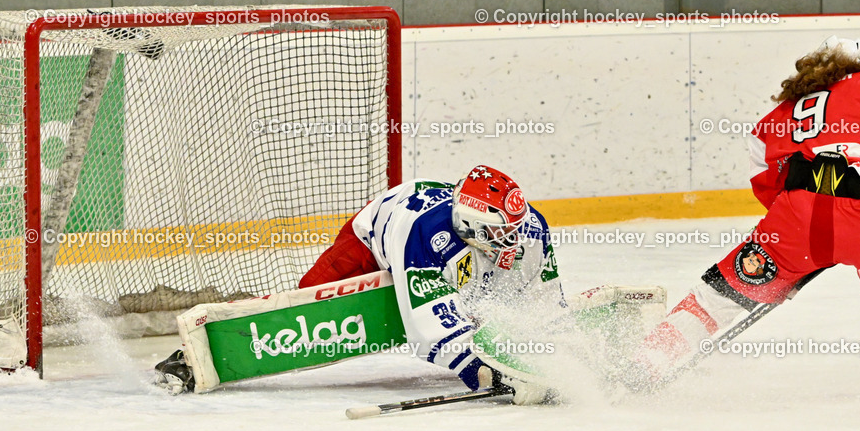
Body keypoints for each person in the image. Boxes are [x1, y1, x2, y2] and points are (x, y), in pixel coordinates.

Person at [626, 36, 860, 389]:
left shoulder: (785, 112)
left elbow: (763, 171)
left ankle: (647, 361)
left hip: (795, 218)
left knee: (719, 297)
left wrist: (804, 225)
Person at [157, 165, 564, 400]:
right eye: (501, 233)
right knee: (304, 301)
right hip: (371, 242)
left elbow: (545, 298)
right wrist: (479, 370)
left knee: (479, 294)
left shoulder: (529, 227)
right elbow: (426, 327)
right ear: (470, 224)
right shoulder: (422, 231)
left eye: (514, 228)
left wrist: (561, 348)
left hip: (444, 252)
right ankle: (194, 354)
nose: (513, 241)